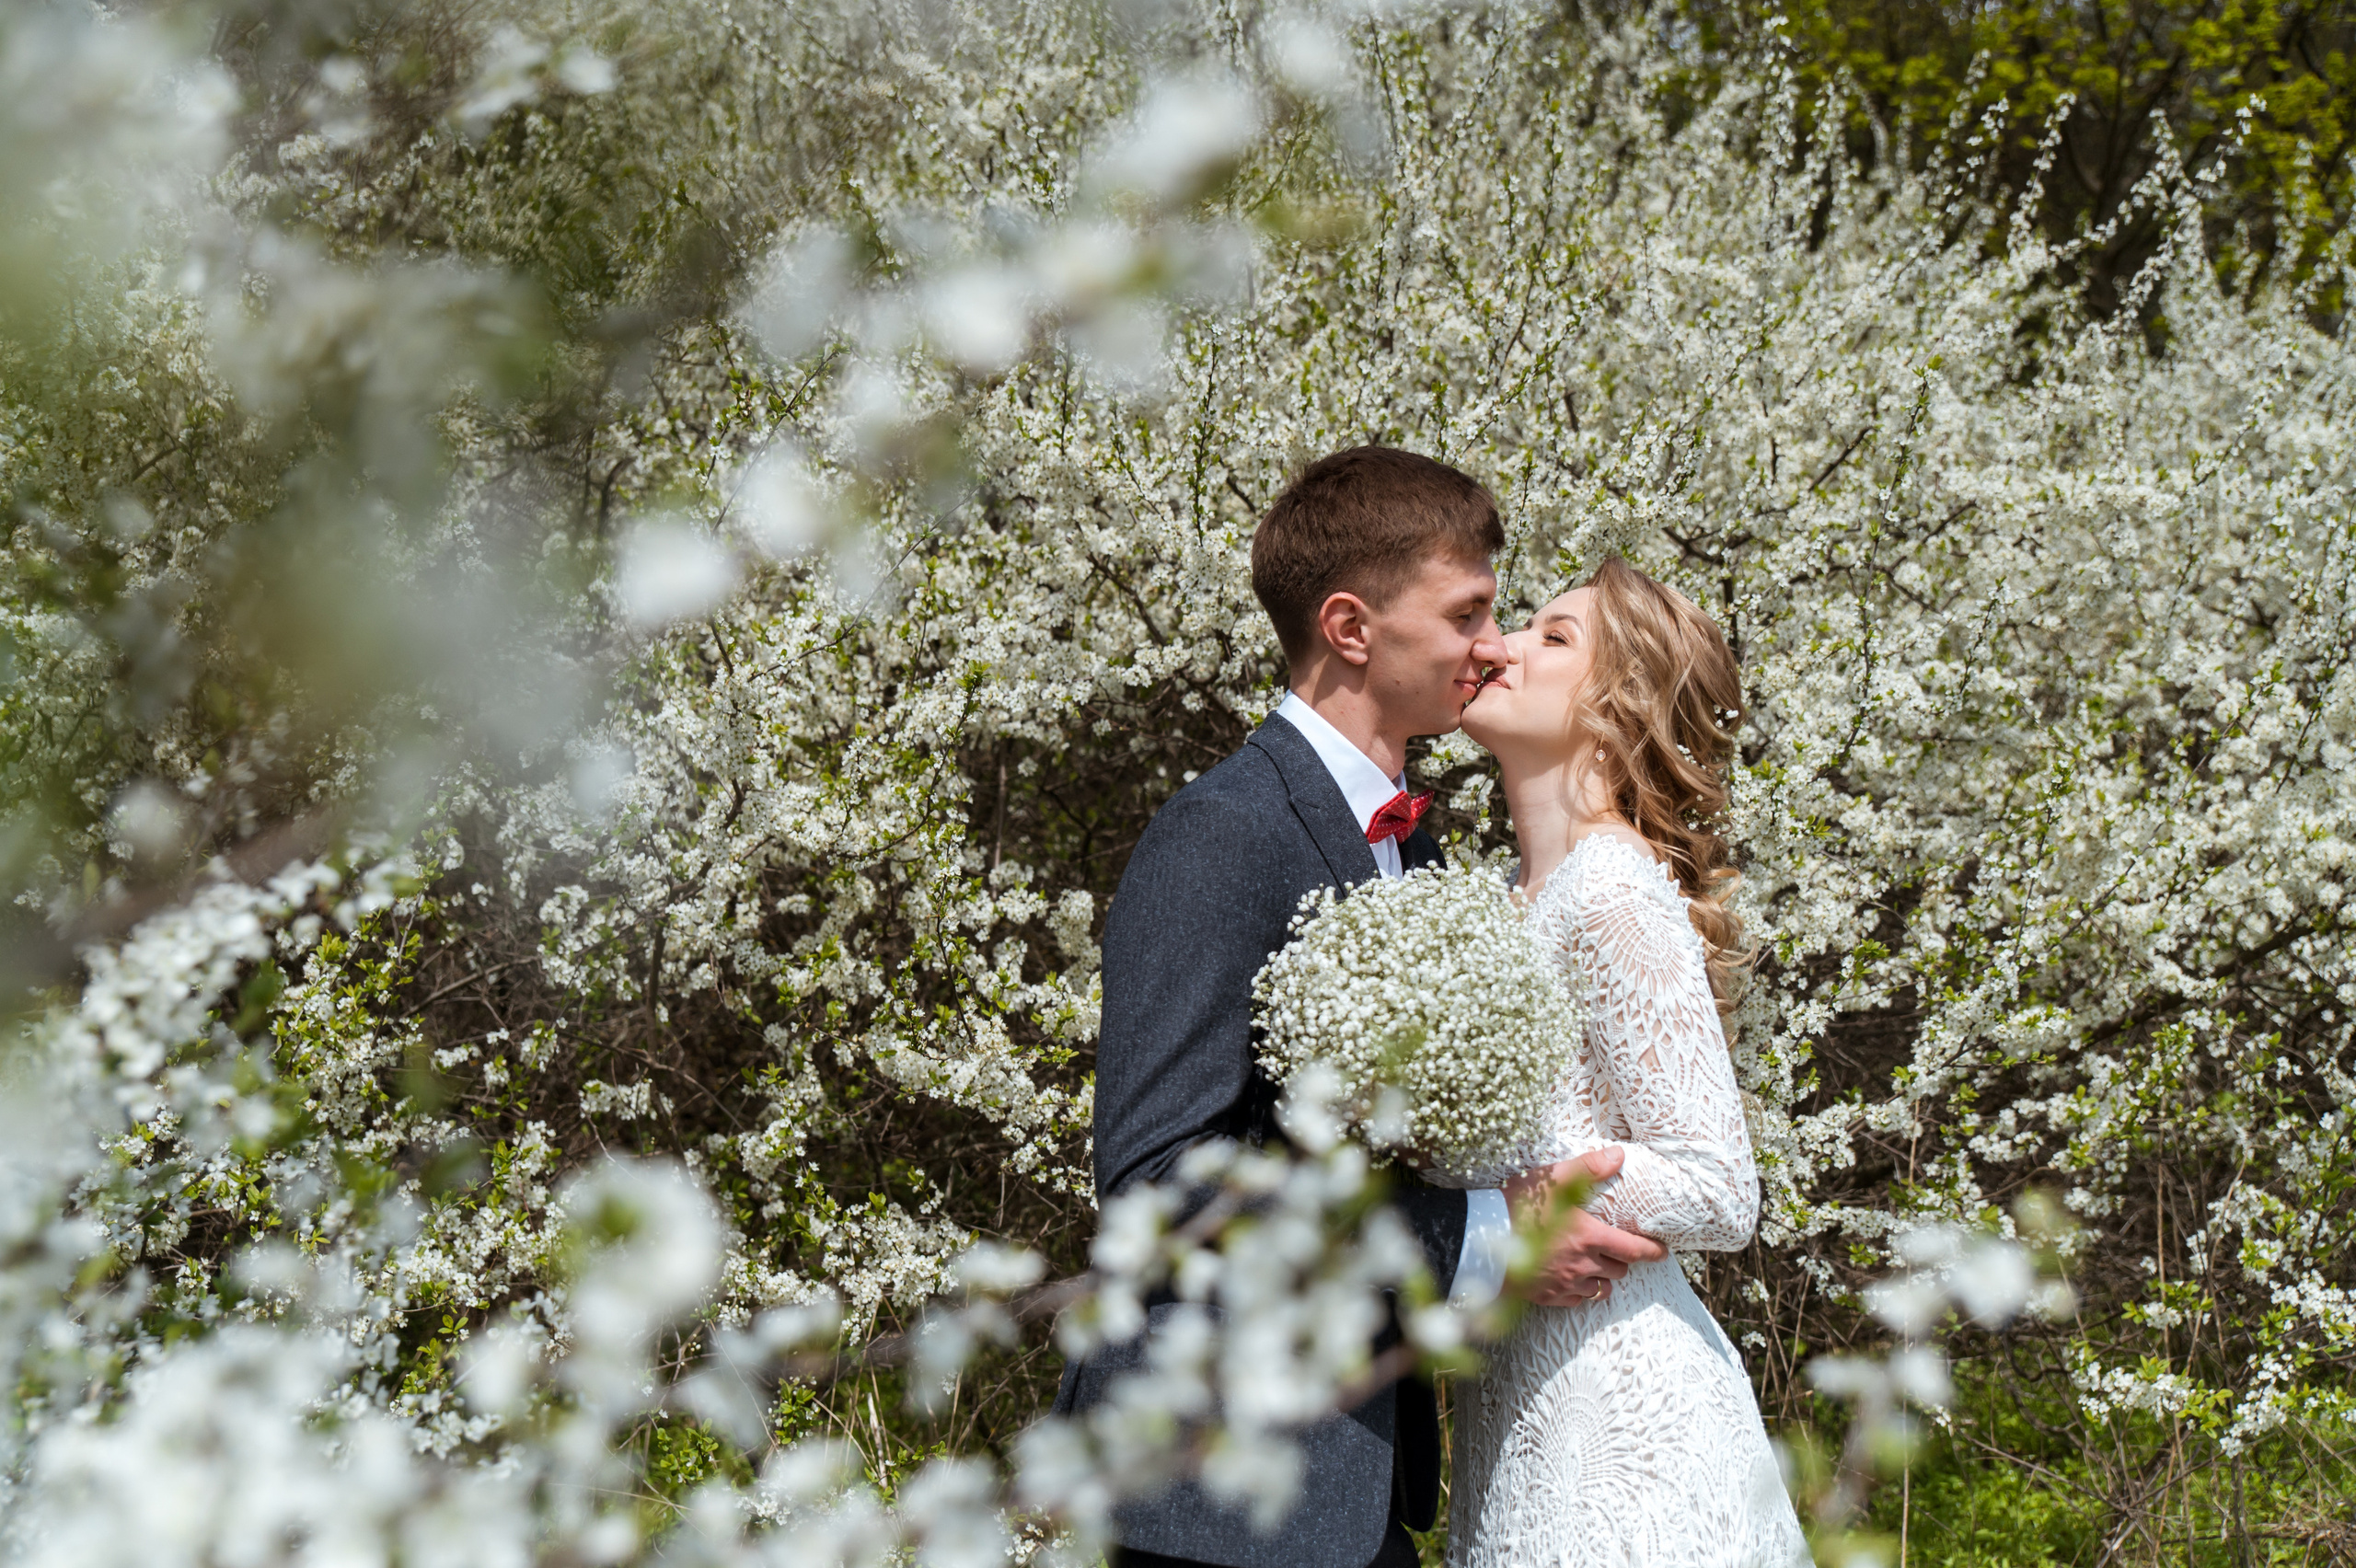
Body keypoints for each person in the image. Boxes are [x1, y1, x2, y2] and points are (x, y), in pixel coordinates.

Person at [1057, 447, 1667, 1568]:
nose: (1494, 644)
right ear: (1350, 627)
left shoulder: (1416, 849)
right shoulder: (1221, 834)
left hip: (1356, 1476)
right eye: (1466, 612)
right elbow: (1156, 1181)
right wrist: (1480, 1236)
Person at [1447, 559, 1808, 1566]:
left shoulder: (1609, 887)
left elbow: (1718, 1186)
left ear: (1618, 710)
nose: (1501, 646)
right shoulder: (1509, 899)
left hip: (1621, 1421)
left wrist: (1535, 1204)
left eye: (1553, 637)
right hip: (1517, 1400)